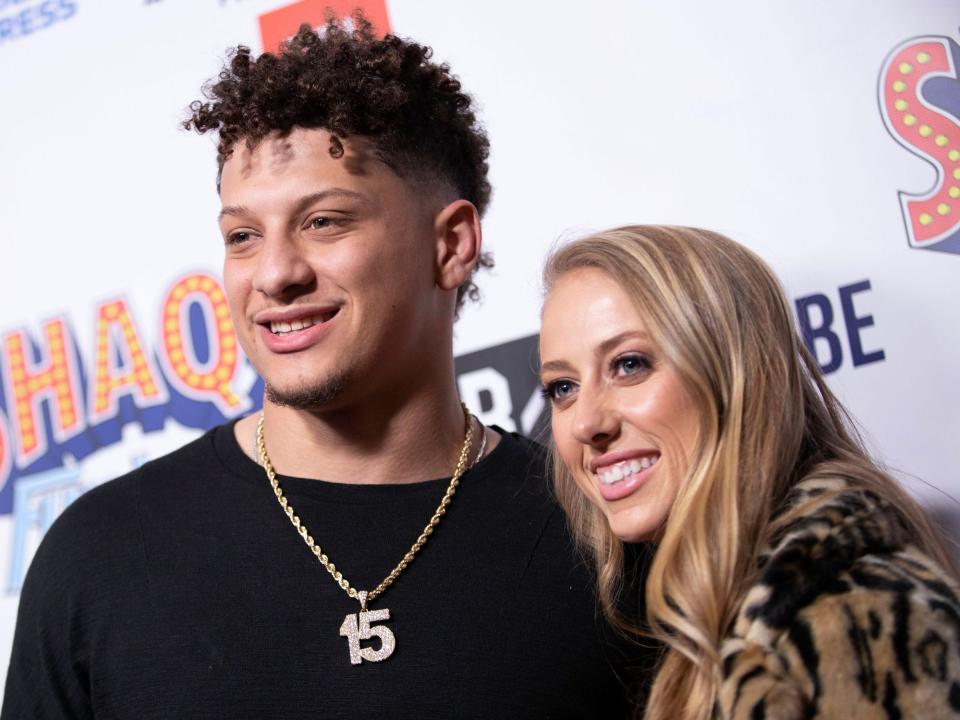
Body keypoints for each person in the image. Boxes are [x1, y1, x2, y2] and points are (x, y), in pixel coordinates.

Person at [1, 19, 640, 718]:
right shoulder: (102, 554)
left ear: (451, 244)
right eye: (243, 236)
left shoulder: (601, 537)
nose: (274, 274)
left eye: (325, 222)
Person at [538, 225, 960, 719]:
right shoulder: (724, 613)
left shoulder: (847, 613)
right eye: (562, 387)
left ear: (735, 372)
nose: (586, 422)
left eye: (629, 364)